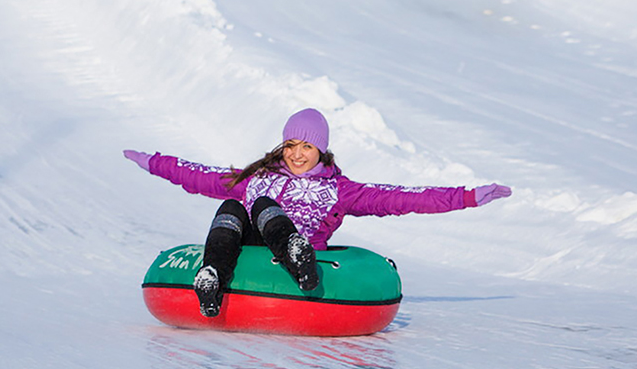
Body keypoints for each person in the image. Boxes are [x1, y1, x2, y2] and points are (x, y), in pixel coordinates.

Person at [124, 109, 512, 317]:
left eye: (306, 146)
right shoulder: (254, 177)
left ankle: (296, 251)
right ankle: (212, 274)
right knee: (233, 205)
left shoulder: (340, 191)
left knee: (260, 204)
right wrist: (153, 161)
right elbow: (196, 175)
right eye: (290, 144)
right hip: (254, 244)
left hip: (302, 253)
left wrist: (468, 196)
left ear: (322, 151)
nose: (296, 153)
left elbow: (403, 197)